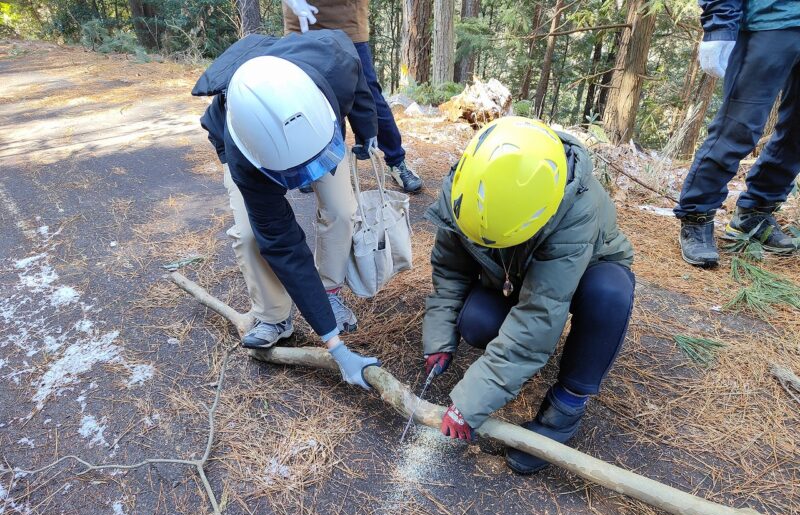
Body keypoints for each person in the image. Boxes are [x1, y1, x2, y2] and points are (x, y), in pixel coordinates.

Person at [422, 117, 635, 474]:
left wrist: (470, 403)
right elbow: (451, 272)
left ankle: (566, 408)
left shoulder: (576, 210)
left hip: (586, 274)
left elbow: (539, 314)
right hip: (514, 273)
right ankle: (511, 366)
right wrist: (439, 337)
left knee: (609, 293)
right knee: (476, 323)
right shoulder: (465, 188)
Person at [192, 30, 379, 388]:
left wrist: (367, 128)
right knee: (251, 234)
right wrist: (337, 348)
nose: (304, 182)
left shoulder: (335, 59)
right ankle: (273, 316)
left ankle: (329, 292)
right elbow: (284, 246)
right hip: (255, 151)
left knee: (341, 208)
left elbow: (361, 85)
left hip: (315, 131)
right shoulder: (244, 157)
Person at [675, 0, 800, 267]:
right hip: (768, 22)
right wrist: (719, 26)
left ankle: (756, 211)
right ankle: (696, 214)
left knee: (797, 135)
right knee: (740, 127)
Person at [282, 0, 423, 194]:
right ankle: (315, 166)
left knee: (369, 94)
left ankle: (396, 161)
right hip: (301, 22)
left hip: (348, 20)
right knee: (309, 97)